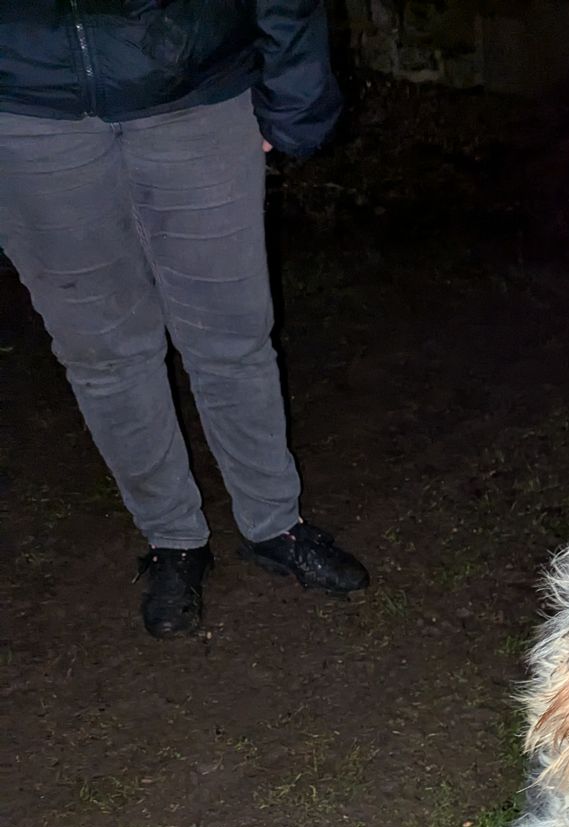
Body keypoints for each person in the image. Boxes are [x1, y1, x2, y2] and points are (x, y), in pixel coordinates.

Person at [0, 1, 367, 638]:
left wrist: (296, 89)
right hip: (24, 110)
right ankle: (173, 541)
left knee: (233, 339)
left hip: (196, 89)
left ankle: (276, 524)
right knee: (104, 358)